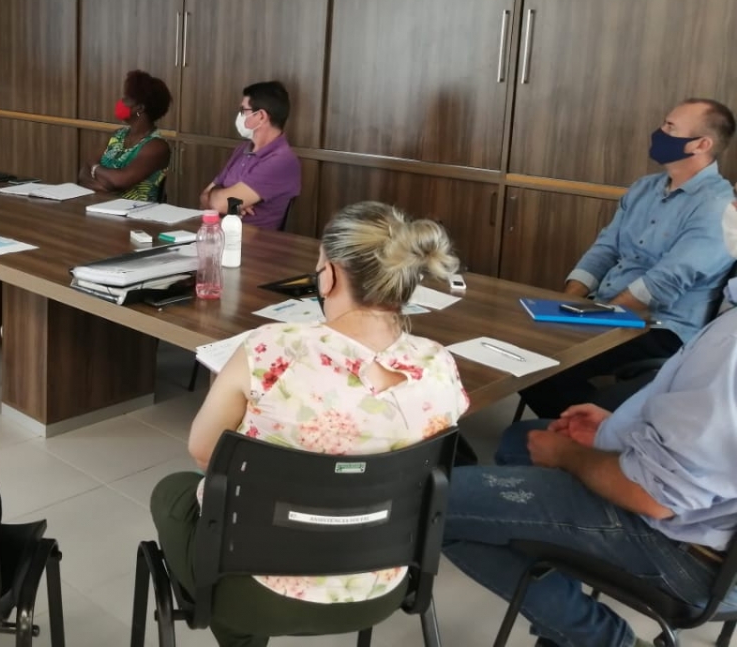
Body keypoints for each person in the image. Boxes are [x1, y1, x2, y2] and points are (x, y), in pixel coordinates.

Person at [150, 202, 469, 647]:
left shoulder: (270, 348)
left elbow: (204, 453)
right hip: (383, 589)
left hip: (254, 590)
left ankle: (242, 636)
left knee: (173, 491)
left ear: (330, 275)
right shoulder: (439, 364)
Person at [443, 301, 737, 647]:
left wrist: (564, 454)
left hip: (692, 556)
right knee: (518, 443)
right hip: (711, 527)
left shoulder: (729, 344)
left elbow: (652, 496)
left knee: (432, 506)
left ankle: (605, 640)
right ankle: (553, 567)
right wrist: (620, 428)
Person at [520, 99, 736, 419]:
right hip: (606, 310)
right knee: (521, 348)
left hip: (662, 327)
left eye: (670, 127)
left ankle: (605, 431)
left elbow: (664, 283)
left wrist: (593, 317)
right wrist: (568, 304)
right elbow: (605, 248)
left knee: (544, 367)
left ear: (701, 144)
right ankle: (581, 427)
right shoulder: (644, 188)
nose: (660, 132)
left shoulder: (718, 206)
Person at [200, 81, 302, 230]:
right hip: (218, 232)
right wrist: (225, 200)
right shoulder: (243, 149)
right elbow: (203, 197)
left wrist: (220, 199)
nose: (240, 115)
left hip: (252, 240)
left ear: (261, 116)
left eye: (243, 110)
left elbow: (219, 204)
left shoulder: (282, 160)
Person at [79, 69, 172, 201]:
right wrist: (106, 185)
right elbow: (83, 173)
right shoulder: (118, 135)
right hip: (99, 205)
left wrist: (94, 168)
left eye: (126, 98)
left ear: (140, 108)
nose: (121, 102)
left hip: (134, 211)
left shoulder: (156, 146)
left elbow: (120, 181)